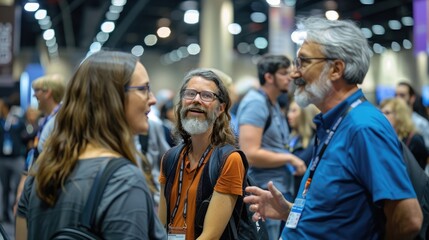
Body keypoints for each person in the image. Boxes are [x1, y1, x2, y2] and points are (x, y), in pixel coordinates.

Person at [244, 17, 423, 239]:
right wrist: (288, 211)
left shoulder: (363, 127)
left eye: (303, 62)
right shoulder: (332, 123)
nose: (294, 73)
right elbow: (339, 214)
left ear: (336, 69)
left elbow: (408, 219)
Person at [16, 50, 167, 239]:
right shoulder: (124, 180)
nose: (152, 99)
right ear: (112, 98)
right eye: (144, 89)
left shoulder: (42, 170)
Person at [159, 69, 246, 239]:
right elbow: (161, 226)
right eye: (190, 94)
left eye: (206, 95)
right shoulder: (170, 158)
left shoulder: (229, 160)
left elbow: (211, 236)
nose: (196, 100)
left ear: (220, 108)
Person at [236, 54, 306, 239]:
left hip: (277, 191)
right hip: (263, 193)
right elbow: (249, 154)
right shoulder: (256, 103)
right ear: (268, 77)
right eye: (284, 73)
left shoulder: (271, 103)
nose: (289, 77)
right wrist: (290, 158)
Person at [14, 74, 66, 215]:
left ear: (48, 92)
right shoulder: (47, 120)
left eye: (37, 90)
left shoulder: (60, 120)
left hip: (48, 190)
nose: (35, 95)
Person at [380, 98, 429, 169]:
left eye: (387, 113)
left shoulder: (415, 139)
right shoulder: (386, 136)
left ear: (399, 115)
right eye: (381, 113)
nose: (382, 116)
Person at [0, 98, 25, 223]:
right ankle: (4, 214)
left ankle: (15, 212)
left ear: (5, 106)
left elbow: (24, 132)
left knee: (17, 187)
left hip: (16, 158)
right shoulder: (0, 121)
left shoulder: (17, 120)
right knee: (4, 188)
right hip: (3, 159)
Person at [286, 99, 318, 198]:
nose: (288, 115)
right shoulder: (291, 137)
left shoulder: (315, 142)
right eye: (289, 110)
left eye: (294, 111)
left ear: (305, 114)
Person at [396, 82, 429, 152]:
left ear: (412, 98)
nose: (397, 99)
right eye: (396, 95)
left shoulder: (421, 123)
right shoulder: (393, 121)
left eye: (402, 95)